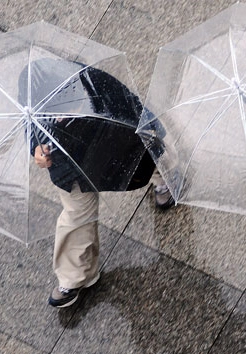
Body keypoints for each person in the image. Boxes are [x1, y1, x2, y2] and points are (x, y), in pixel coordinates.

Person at [23, 58, 156, 308]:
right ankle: (75, 277)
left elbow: (131, 113)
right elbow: (29, 126)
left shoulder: (94, 83)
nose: (58, 116)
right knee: (76, 216)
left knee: (146, 159)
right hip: (68, 166)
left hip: (111, 142)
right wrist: (36, 150)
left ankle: (165, 178)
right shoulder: (32, 87)